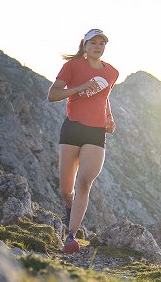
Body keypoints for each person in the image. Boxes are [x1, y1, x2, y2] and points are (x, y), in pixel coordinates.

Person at [47, 29, 119, 254]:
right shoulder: (73, 66)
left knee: (85, 182)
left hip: (96, 132)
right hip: (72, 129)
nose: (98, 47)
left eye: (102, 43)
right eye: (94, 43)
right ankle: (69, 206)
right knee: (66, 190)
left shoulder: (112, 72)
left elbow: (104, 96)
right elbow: (53, 95)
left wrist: (109, 117)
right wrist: (79, 88)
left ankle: (70, 237)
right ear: (85, 45)